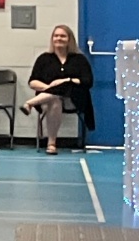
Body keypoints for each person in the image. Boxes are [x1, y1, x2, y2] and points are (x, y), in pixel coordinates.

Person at [24, 25, 94, 154]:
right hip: (48, 100)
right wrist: (51, 88)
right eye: (56, 36)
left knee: (64, 87)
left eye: (62, 36)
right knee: (55, 100)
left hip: (73, 98)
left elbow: (88, 81)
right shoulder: (44, 59)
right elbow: (32, 82)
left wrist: (67, 81)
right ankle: (51, 144)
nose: (59, 38)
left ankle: (30, 103)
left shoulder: (80, 59)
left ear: (69, 39)